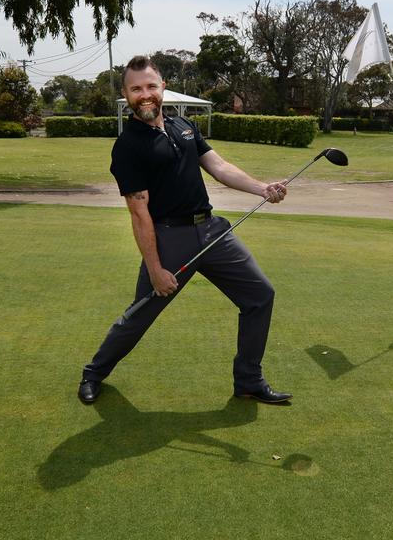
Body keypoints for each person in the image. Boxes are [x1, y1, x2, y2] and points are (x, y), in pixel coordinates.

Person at [78, 55, 292, 405]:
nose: (144, 94)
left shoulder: (183, 125)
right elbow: (139, 213)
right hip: (168, 241)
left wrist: (262, 189)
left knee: (260, 296)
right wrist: (154, 267)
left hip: (211, 232)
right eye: (136, 89)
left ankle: (249, 381)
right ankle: (94, 373)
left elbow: (219, 166)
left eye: (150, 86)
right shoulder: (128, 147)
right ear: (126, 95)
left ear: (162, 87)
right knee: (141, 314)